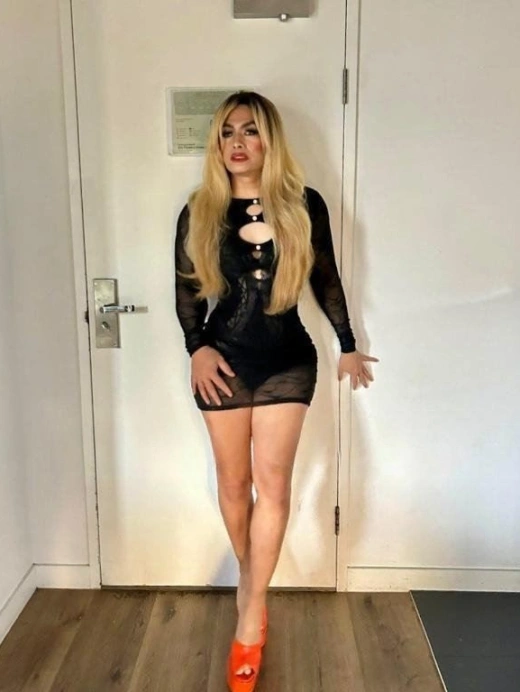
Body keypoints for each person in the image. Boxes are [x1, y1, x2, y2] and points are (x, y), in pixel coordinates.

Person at [174, 91, 379, 691]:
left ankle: (250, 614)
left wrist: (347, 343)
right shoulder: (201, 209)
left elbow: (326, 277)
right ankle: (254, 583)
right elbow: (186, 289)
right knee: (233, 484)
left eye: (250, 130)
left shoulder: (304, 204)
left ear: (270, 140)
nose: (238, 143)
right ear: (217, 143)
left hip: (289, 362)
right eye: (227, 132)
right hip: (222, 361)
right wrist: (196, 348)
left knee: (275, 487)